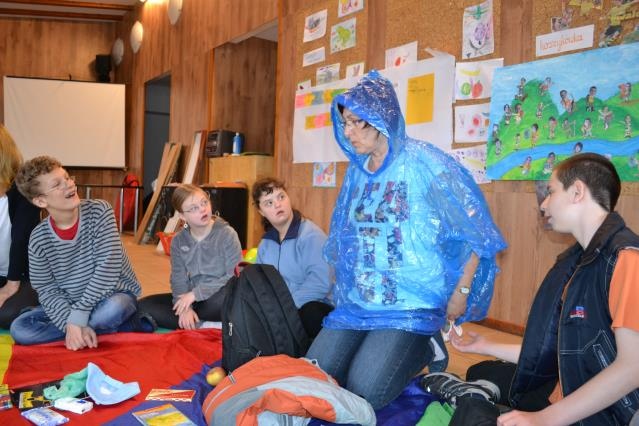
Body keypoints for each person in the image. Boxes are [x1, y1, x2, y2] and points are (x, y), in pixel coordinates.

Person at [305, 70, 506, 409]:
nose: (348, 132)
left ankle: (427, 344)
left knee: (364, 390)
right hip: (362, 299)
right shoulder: (357, 170)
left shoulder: (424, 162)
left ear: (380, 118)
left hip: (411, 302)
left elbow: (476, 230)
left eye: (356, 122)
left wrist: (461, 291)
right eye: (345, 123)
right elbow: (348, 234)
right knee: (314, 376)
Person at [447, 153, 639, 425]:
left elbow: (632, 368)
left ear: (577, 192)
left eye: (551, 192)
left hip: (605, 412)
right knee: (482, 371)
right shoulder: (578, 260)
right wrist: (484, 344)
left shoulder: (625, 259)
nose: (544, 204)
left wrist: (544, 419)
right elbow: (561, 349)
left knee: (472, 414)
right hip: (568, 385)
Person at [10, 156, 153, 350]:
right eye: (57, 184)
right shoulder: (38, 238)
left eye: (67, 178)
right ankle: (100, 329)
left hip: (112, 296)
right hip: (71, 305)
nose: (69, 184)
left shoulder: (100, 211)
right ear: (41, 200)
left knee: (114, 308)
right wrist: (70, 322)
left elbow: (107, 268)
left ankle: (83, 328)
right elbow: (46, 289)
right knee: (20, 329)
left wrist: (78, 316)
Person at [139, 184, 242, 330]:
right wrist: (185, 308)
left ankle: (198, 322)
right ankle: (205, 325)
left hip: (219, 296)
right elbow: (178, 278)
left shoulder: (227, 234)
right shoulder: (178, 240)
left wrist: (195, 294)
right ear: (182, 216)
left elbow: (234, 275)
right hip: (194, 300)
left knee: (230, 296)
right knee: (143, 305)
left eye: (204, 202)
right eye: (193, 208)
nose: (202, 209)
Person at [251, 177, 333, 338]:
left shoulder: (311, 235)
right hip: (282, 310)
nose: (278, 204)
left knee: (310, 312)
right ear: (261, 212)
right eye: (269, 203)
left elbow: (321, 283)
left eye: (281, 197)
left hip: (316, 306)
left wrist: (286, 307)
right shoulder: (265, 244)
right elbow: (260, 283)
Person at [0, 125, 41, 329]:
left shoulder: (23, 189)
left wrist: (11, 285)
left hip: (23, 276)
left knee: (7, 316)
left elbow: (21, 239)